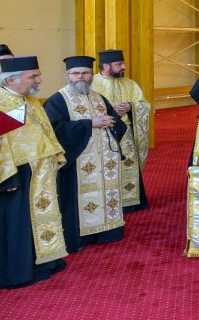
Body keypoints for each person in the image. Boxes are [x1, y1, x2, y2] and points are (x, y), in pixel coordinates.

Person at [0, 56, 68, 289]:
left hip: (39, 172)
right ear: (11, 80)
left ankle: (45, 262)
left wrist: (53, 158)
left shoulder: (31, 101)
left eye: (38, 74)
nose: (39, 79)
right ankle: (17, 272)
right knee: (16, 224)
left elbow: (45, 132)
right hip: (11, 175)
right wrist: (5, 177)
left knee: (37, 218)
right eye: (33, 76)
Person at [44, 56, 126, 253]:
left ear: (91, 75)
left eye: (85, 73)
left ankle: (107, 231)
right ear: (67, 75)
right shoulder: (57, 100)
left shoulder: (98, 97)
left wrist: (111, 124)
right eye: (75, 73)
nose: (80, 77)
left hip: (104, 160)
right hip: (77, 162)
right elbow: (54, 130)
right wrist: (90, 124)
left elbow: (117, 124)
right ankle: (80, 236)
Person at [92, 49, 151, 213]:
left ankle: (129, 202)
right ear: (106, 66)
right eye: (119, 64)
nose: (123, 67)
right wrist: (109, 111)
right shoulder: (92, 84)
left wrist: (132, 106)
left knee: (128, 165)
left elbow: (144, 105)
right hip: (103, 133)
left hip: (126, 133)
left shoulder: (130, 84)